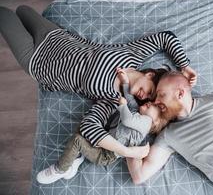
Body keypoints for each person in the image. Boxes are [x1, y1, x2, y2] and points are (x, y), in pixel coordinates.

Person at [0, 6, 197, 158]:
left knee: (5, 15)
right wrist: (185, 66)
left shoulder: (113, 100)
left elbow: (89, 128)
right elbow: (165, 38)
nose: (144, 98)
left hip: (39, 62)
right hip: (56, 37)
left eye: (147, 100)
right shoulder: (131, 55)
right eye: (151, 91)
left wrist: (127, 152)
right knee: (23, 10)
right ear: (150, 75)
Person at [36, 68, 170, 184]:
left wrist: (123, 106)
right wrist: (125, 83)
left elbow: (128, 120)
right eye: (152, 102)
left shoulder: (146, 123)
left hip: (106, 154)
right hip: (104, 141)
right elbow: (129, 98)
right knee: (82, 129)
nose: (150, 103)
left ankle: (61, 169)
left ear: (157, 121)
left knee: (77, 140)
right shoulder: (138, 111)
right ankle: (76, 160)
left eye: (155, 107)